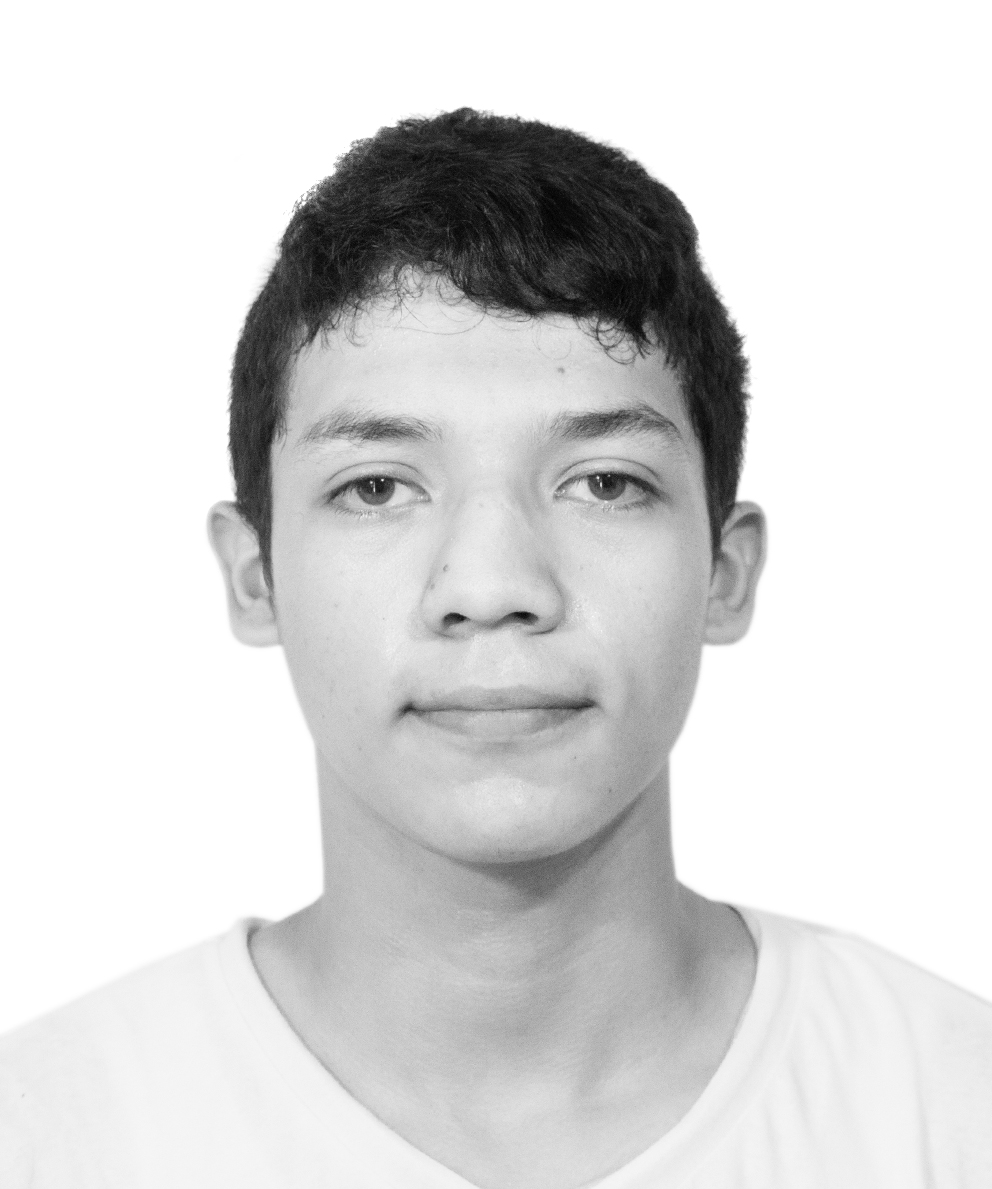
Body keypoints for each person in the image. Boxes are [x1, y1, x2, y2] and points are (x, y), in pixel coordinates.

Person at [1, 107, 989, 1189]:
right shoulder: (48, 1133)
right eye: (376, 488)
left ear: (724, 568)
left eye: (604, 482)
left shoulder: (948, 1107)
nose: (492, 587)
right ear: (254, 574)